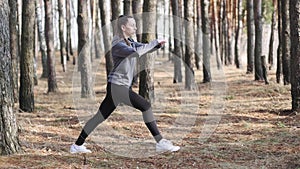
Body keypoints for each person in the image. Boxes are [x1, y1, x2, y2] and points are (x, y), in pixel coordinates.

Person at [70, 15, 180, 153]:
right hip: (117, 86)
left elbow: (144, 48)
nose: (135, 27)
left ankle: (77, 145)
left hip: (116, 86)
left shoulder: (129, 41)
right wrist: (154, 42)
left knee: (99, 117)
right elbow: (135, 53)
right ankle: (160, 142)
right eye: (132, 25)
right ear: (123, 27)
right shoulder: (118, 44)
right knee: (146, 106)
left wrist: (157, 44)